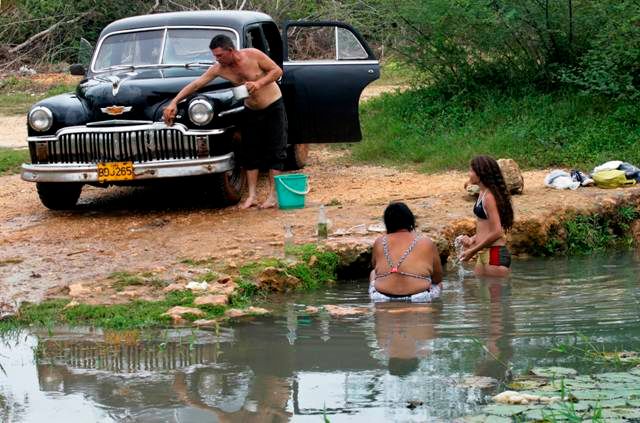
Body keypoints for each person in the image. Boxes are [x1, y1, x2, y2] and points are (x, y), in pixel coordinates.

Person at [163, 34, 287, 209]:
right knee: (250, 151)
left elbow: (277, 71)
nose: (217, 59)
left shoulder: (253, 55)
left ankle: (272, 195)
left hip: (272, 105)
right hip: (251, 110)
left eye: (220, 55)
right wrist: (174, 102)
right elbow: (197, 84)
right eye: (215, 56)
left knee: (275, 149)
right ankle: (251, 196)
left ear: (231, 50)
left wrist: (258, 84)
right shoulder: (220, 68)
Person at [369, 202, 443, 302]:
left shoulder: (379, 242)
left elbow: (376, 268)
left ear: (387, 223)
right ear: (410, 220)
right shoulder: (426, 242)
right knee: (439, 284)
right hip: (420, 297)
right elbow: (437, 278)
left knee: (373, 273)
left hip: (382, 297)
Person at [459, 155, 514, 277]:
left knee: (495, 293)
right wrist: (472, 239)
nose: (469, 174)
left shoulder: (489, 197)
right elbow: (486, 227)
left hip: (495, 254)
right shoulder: (483, 193)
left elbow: (497, 232)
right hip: (485, 253)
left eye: (472, 170)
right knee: (483, 294)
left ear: (481, 173)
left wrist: (472, 251)